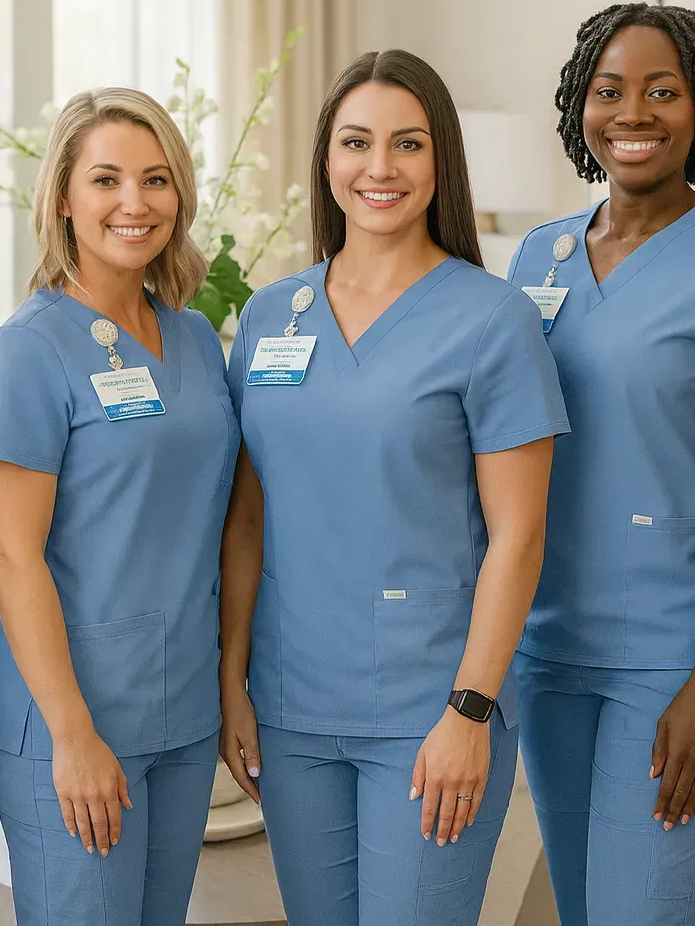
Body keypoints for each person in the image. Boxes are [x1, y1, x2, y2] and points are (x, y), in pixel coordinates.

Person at [218, 49, 568, 926]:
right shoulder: (271, 315)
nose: (380, 168)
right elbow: (247, 515)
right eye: (356, 142)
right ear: (325, 160)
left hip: (430, 707)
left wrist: (470, 709)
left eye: (407, 144)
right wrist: (233, 679)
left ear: (440, 160)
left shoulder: (493, 321)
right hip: (292, 704)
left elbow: (520, 537)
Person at [506, 4, 695, 926]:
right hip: (550, 647)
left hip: (675, 654)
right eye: (609, 92)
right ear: (579, 107)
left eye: (661, 91)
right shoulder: (538, 256)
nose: (632, 113)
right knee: (580, 910)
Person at [0, 87, 239, 925]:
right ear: (64, 197)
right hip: (70, 718)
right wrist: (72, 732)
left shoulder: (194, 335)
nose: (134, 203)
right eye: (107, 179)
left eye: (156, 180)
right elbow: (13, 555)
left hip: (185, 711)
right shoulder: (28, 352)